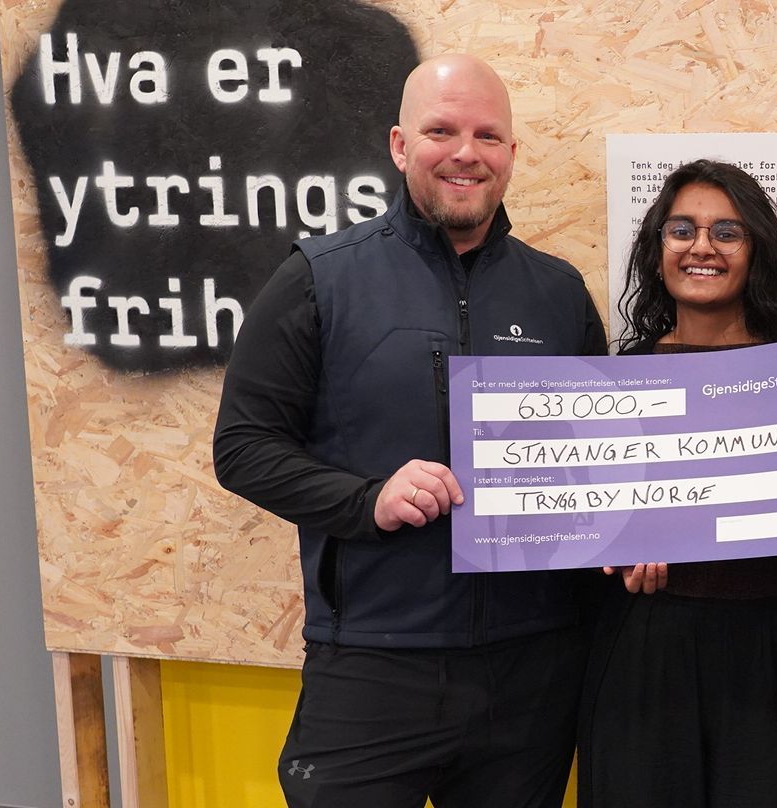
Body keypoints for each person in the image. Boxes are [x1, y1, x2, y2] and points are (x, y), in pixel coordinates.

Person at [213, 54, 607, 808]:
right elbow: (243, 448)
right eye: (442, 130)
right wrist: (368, 500)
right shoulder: (320, 278)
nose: (466, 152)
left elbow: (600, 464)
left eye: (488, 135)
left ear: (513, 155)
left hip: (533, 672)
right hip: (371, 666)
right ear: (399, 146)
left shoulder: (557, 293)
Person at [577, 159, 777, 808]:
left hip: (776, 654)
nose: (701, 246)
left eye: (727, 232)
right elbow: (581, 533)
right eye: (682, 230)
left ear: (756, 253)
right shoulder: (613, 388)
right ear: (657, 251)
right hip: (644, 650)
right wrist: (612, 551)